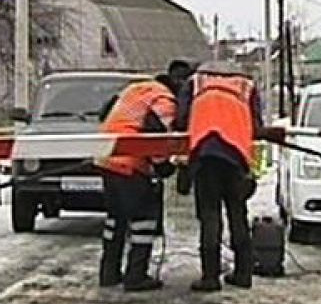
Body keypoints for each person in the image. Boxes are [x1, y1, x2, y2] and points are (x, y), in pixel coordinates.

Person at [95, 64, 187, 291]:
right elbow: (154, 136)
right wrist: (163, 165)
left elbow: (103, 113)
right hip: (130, 162)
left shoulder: (135, 89)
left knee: (115, 218)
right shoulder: (164, 100)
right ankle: (136, 276)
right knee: (144, 218)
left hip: (106, 156)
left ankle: (109, 272)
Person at [175, 60, 262, 292]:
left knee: (210, 215)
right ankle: (243, 274)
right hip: (237, 153)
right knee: (238, 213)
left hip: (206, 150)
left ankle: (210, 277)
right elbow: (256, 124)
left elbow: (181, 120)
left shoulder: (196, 83)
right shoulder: (246, 85)